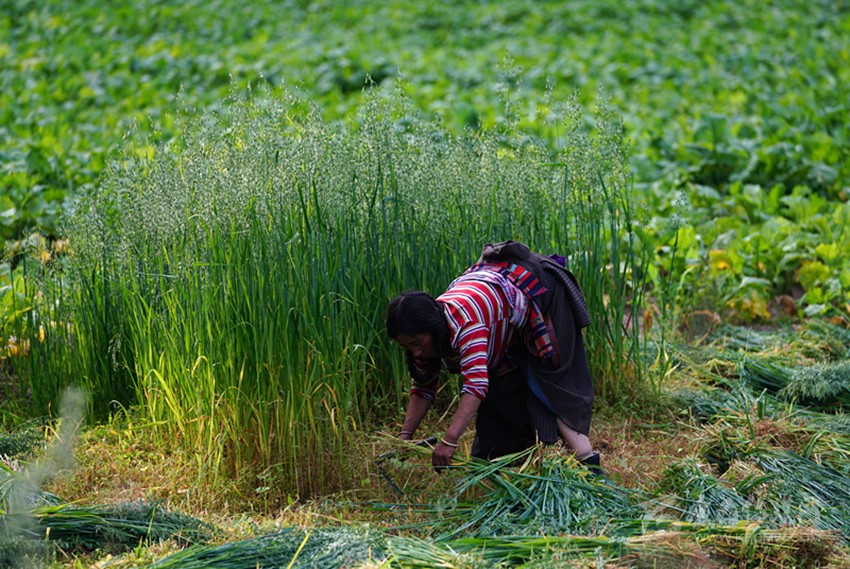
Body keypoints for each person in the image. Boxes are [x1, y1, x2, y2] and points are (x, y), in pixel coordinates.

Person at [386, 240, 601, 474]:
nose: (416, 352)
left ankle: (588, 465)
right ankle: (514, 458)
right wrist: (404, 437)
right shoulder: (428, 335)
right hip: (503, 305)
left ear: (431, 327)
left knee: (549, 388)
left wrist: (449, 440)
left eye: (417, 343)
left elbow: (475, 386)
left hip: (542, 291)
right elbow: (423, 386)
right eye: (408, 347)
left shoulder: (467, 322)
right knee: (499, 404)